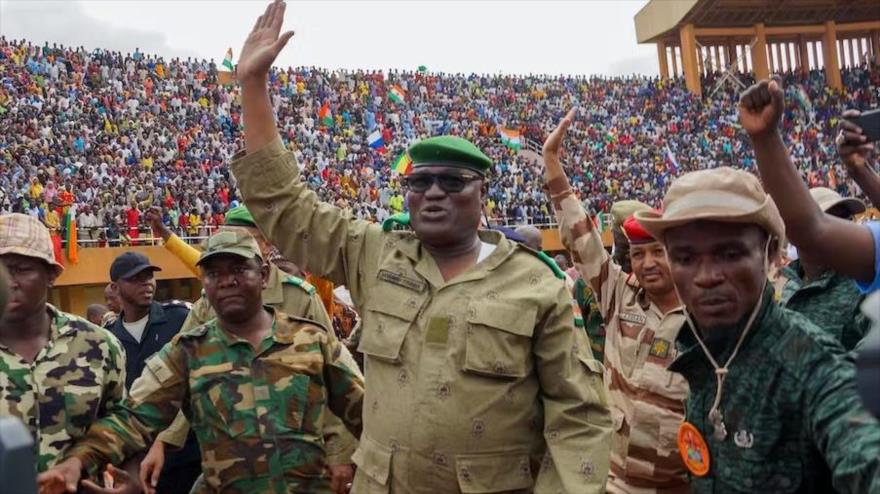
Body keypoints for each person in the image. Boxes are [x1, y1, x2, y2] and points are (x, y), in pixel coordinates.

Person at [229, 2, 611, 491]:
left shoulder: (537, 282)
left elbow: (578, 417)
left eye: (453, 181)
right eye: (420, 181)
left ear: (482, 195)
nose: (433, 192)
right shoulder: (374, 254)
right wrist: (253, 87)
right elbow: (284, 205)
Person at [37, 230, 365, 494]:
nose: (226, 281)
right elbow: (133, 417)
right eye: (213, 273)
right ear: (204, 282)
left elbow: (368, 414)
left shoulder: (312, 340)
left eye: (239, 269)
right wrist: (78, 461)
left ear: (263, 275)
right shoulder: (188, 351)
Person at [634, 164, 880, 493]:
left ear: (771, 254)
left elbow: (861, 447)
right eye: (685, 258)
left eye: (730, 253)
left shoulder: (809, 365)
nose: (706, 276)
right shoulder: (699, 347)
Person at [142, 205, 359, 494]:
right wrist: (163, 441)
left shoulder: (300, 298)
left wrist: (339, 454)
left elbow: (333, 383)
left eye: (244, 240)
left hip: (298, 458)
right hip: (231, 457)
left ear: (266, 247)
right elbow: (181, 377)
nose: (232, 251)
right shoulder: (210, 303)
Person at [543, 111, 689, 494]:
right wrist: (553, 165)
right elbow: (582, 240)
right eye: (639, 255)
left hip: (680, 483)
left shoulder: (704, 316)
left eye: (658, 252)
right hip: (616, 481)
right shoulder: (619, 296)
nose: (647, 263)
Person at [0, 213, 127, 479]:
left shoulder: (99, 345)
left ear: (50, 275)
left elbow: (123, 421)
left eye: (21, 269)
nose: (8, 282)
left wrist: (84, 461)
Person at [741, 78, 880, 293]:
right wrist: (861, 171)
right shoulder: (787, 289)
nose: (845, 225)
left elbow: (812, 231)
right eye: (835, 217)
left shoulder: (849, 285)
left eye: (847, 219)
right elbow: (811, 231)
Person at [106, 251, 201, 493]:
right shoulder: (108, 337)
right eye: (136, 278)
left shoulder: (180, 318)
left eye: (149, 276)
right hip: (138, 461)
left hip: (188, 454)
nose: (146, 283)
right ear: (115, 288)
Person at [774, 187, 871, 350]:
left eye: (846, 220)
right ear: (798, 233)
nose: (841, 229)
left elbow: (868, 364)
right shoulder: (790, 283)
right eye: (828, 221)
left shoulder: (862, 286)